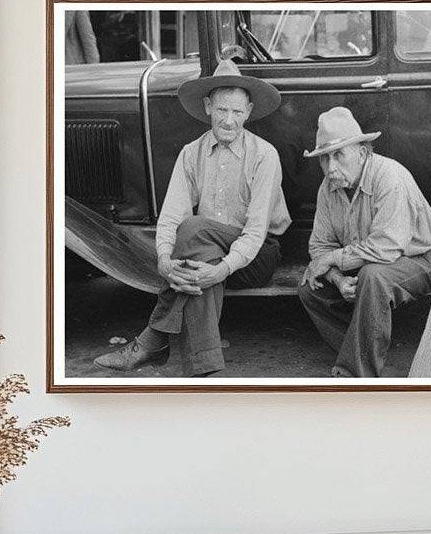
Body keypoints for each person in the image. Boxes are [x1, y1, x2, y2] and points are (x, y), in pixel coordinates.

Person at [94, 61, 289, 376]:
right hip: (207, 252)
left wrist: (221, 269)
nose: (229, 120)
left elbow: (254, 233)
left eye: (237, 112)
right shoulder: (190, 152)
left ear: (249, 112)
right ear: (208, 106)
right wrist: (163, 259)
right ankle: (203, 369)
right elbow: (171, 214)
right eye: (222, 110)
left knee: (194, 230)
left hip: (256, 257)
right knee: (197, 251)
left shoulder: (264, 155)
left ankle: (153, 340)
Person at [298, 107, 431, 378]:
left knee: (373, 276)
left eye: (339, 155)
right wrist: (338, 279)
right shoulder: (328, 187)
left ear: (362, 153)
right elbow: (319, 246)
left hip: (418, 258)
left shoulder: (389, 177)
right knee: (310, 286)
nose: (331, 168)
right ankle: (364, 346)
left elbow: (387, 246)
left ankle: (356, 373)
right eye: (324, 158)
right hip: (366, 259)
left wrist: (331, 260)